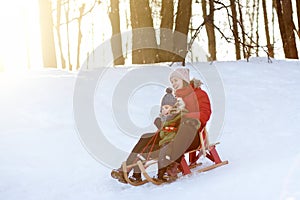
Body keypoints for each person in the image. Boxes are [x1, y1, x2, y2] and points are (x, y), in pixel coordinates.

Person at [111, 87, 178, 183]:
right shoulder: (162, 118)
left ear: (173, 108)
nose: (164, 110)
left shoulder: (176, 118)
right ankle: (125, 169)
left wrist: (162, 122)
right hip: (161, 141)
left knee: (144, 151)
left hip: (168, 146)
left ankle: (132, 173)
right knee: (144, 137)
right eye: (162, 108)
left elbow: (170, 133)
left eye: (167, 107)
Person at [156, 68, 212, 180]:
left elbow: (205, 113)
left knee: (185, 126)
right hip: (173, 135)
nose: (174, 84)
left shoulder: (199, 94)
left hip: (194, 137)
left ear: (184, 80)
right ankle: (129, 168)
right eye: (172, 82)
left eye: (176, 80)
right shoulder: (175, 99)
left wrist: (184, 116)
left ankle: (172, 166)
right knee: (150, 136)